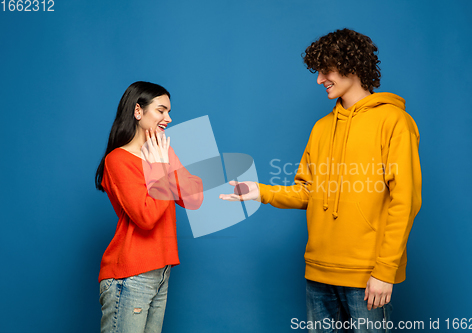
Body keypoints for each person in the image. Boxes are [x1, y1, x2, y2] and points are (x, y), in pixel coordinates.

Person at [220, 28, 421, 333]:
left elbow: (405, 200)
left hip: (366, 276)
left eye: (326, 70)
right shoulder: (321, 128)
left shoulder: (394, 122)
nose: (319, 79)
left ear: (351, 66)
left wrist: (385, 271)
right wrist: (259, 191)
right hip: (318, 273)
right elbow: (307, 192)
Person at [95, 81, 203, 333]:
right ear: (138, 111)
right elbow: (146, 216)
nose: (169, 118)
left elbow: (194, 198)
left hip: (159, 272)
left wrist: (164, 162)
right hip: (130, 275)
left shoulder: (161, 154)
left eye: (168, 112)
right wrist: (161, 168)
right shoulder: (118, 160)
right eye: (161, 110)